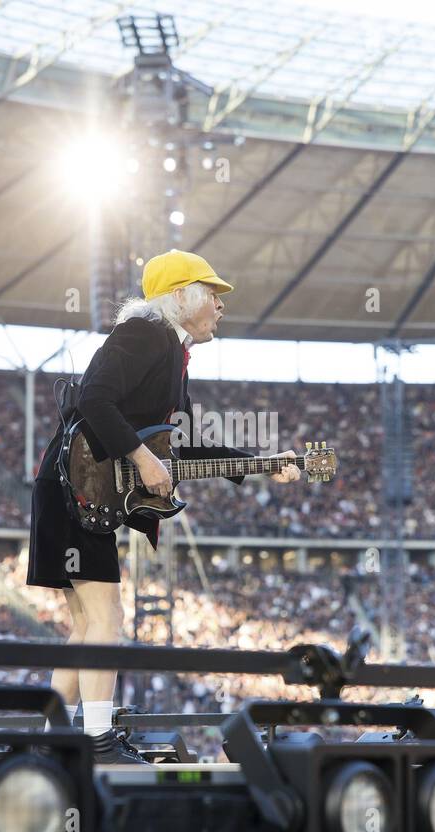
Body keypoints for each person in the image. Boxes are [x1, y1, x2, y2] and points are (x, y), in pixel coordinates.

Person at [25, 250, 301, 763]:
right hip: (76, 486)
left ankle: (47, 741)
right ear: (181, 296)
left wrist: (263, 462)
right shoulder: (144, 333)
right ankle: (97, 742)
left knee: (87, 625)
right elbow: (94, 400)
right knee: (106, 617)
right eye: (212, 294)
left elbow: (186, 446)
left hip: (78, 491)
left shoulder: (172, 354)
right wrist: (141, 457)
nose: (220, 306)